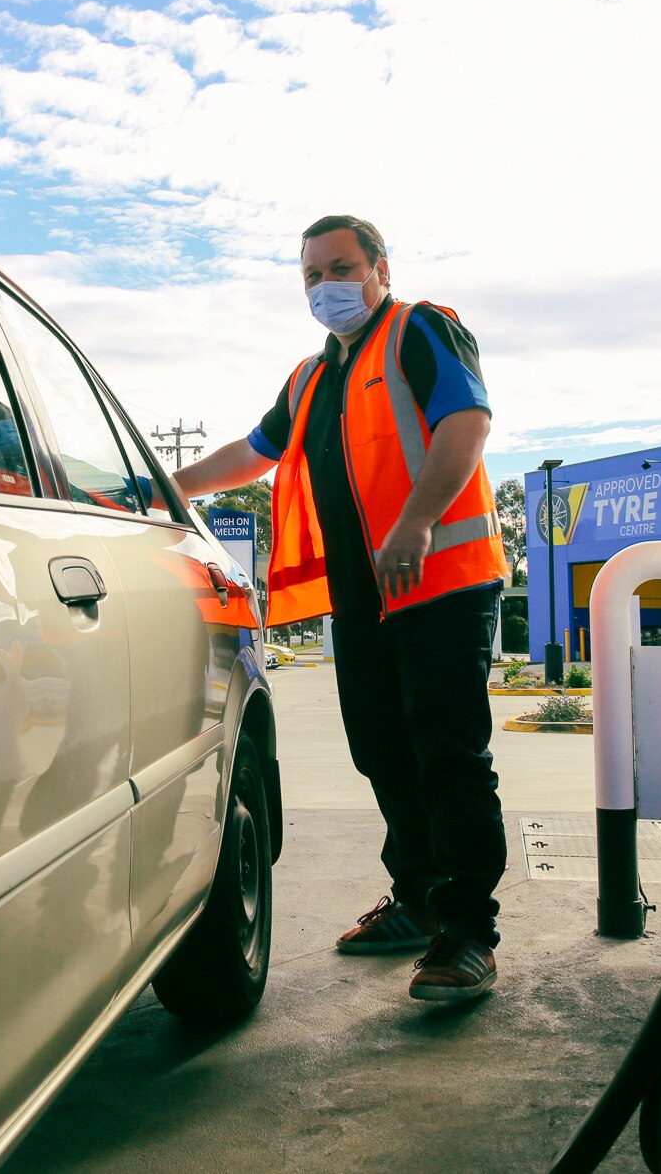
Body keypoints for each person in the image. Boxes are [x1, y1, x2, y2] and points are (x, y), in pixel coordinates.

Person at [172, 214, 509, 1002]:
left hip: (445, 583)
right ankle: (420, 897)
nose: (327, 286)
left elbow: (468, 421)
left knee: (449, 757)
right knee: (383, 751)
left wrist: (418, 519)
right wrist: (173, 485)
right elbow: (255, 451)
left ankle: (468, 933)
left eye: (341, 267)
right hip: (366, 602)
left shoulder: (419, 331)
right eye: (312, 275)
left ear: (380, 268)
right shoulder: (311, 377)